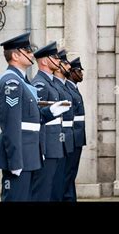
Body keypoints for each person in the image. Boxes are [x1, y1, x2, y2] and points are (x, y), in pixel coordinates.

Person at [0, 32, 70, 201]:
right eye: (27, 51)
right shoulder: (11, 83)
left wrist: (52, 111)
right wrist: (15, 161)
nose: (31, 55)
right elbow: (11, 125)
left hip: (29, 154)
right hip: (20, 156)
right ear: (15, 55)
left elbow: (32, 120)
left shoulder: (23, 81)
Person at [30, 42, 65, 201]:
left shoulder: (50, 82)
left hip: (54, 143)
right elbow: (38, 118)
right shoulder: (40, 83)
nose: (58, 60)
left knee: (52, 187)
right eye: (54, 57)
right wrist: (41, 149)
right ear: (44, 61)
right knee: (42, 189)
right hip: (47, 145)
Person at [51, 49, 75, 201]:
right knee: (58, 180)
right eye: (65, 63)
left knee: (66, 177)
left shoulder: (65, 86)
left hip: (68, 135)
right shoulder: (54, 85)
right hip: (59, 136)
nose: (68, 67)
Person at [64, 57, 87, 202]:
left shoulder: (73, 88)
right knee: (68, 174)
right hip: (71, 137)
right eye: (79, 71)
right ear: (71, 72)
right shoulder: (67, 89)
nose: (81, 74)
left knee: (71, 173)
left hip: (77, 138)